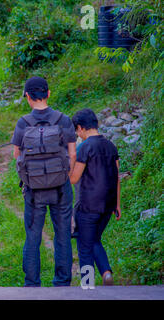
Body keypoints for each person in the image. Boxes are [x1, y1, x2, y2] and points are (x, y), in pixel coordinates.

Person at [12, 76, 77, 287]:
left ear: (28, 97)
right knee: (62, 234)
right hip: (60, 187)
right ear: (48, 94)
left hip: (33, 188)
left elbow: (16, 155)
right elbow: (72, 155)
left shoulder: (23, 123)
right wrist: (62, 176)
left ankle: (32, 283)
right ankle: (62, 282)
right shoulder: (63, 119)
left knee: (33, 235)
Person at [70, 108, 121, 285]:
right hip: (108, 205)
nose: (77, 134)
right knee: (94, 240)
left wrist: (69, 162)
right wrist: (118, 205)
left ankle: (88, 284)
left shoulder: (84, 147)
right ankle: (106, 273)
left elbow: (74, 178)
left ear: (80, 128)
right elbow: (116, 178)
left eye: (76, 131)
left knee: (84, 245)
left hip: (88, 206)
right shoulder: (110, 146)